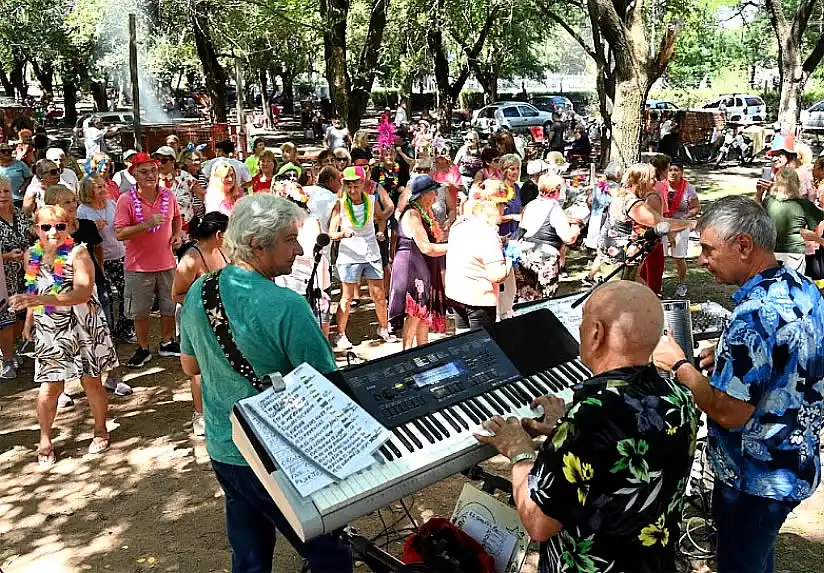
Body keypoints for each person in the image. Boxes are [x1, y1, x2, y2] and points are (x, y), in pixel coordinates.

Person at [179, 195, 353, 573]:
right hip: (278, 457)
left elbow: (189, 365)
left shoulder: (198, 292)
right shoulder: (287, 305)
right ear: (258, 243)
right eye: (291, 239)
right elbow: (327, 387)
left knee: (250, 557)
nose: (300, 249)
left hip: (225, 447)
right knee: (330, 556)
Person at [652, 195, 824, 573]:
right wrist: (730, 355)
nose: (701, 259)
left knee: (741, 563)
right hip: (794, 461)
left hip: (757, 478)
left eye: (709, 249)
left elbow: (730, 413)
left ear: (743, 246)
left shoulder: (754, 316)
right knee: (757, 557)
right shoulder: (801, 285)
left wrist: (680, 365)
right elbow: (787, 356)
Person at [477, 281, 698, 573]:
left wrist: (519, 452)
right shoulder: (679, 397)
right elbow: (620, 459)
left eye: (582, 321)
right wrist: (561, 430)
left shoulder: (590, 417)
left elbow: (538, 522)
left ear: (596, 333)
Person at [16, 205, 119, 466]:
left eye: (60, 226)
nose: (53, 232)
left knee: (91, 381)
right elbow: (33, 288)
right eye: (46, 227)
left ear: (69, 226)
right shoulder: (32, 254)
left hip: (83, 324)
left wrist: (39, 298)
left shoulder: (79, 253)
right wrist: (29, 320)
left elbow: (82, 293)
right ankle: (45, 439)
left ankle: (100, 430)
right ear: (35, 229)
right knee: (50, 387)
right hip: (50, 327)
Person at [48, 184, 131, 397]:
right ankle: (62, 388)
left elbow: (98, 250)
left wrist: (98, 274)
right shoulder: (50, 232)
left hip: (95, 286)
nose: (72, 205)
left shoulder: (86, 225)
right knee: (65, 337)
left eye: (73, 200)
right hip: (64, 292)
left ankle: (113, 377)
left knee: (104, 329)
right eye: (66, 202)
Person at [114, 152, 182, 368]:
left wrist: (177, 234)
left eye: (153, 170)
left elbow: (178, 217)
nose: (151, 175)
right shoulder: (125, 200)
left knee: (169, 305)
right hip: (138, 266)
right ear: (134, 175)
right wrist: (146, 224)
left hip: (167, 263)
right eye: (144, 172)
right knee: (140, 311)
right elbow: (120, 233)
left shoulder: (168, 196)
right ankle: (143, 348)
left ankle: (167, 341)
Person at [172, 212, 229, 437]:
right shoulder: (190, 259)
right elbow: (176, 293)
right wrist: (205, 305)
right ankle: (200, 413)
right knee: (199, 369)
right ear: (219, 234)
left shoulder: (224, 250)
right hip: (197, 319)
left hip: (222, 318)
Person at [329, 166, 394, 349]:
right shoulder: (340, 204)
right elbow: (331, 232)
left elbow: (382, 218)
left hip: (371, 253)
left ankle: (383, 328)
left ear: (363, 184)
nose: (352, 190)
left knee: (379, 295)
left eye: (356, 185)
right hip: (349, 256)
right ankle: (341, 334)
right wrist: (342, 234)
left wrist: (381, 232)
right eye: (348, 186)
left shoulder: (372, 201)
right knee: (347, 297)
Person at [596, 163, 693, 283]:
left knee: (636, 284)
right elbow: (662, 223)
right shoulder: (633, 204)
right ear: (641, 180)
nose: (655, 182)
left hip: (618, 254)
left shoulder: (624, 194)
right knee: (621, 291)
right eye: (652, 178)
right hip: (620, 258)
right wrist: (691, 224)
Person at [388, 176, 448, 348]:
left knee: (423, 311)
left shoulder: (423, 212)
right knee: (415, 311)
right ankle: (406, 352)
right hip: (411, 266)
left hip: (420, 264)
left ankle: (423, 349)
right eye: (432, 191)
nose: (436, 195)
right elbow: (426, 247)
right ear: (422, 195)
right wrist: (456, 246)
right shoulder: (413, 214)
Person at [77, 173, 133, 343]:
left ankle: (124, 329)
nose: (103, 189)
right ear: (88, 190)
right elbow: (84, 238)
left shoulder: (112, 204)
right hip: (99, 259)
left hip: (120, 255)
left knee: (127, 294)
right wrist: (94, 227)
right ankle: (106, 333)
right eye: (98, 186)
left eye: (104, 185)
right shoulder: (83, 211)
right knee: (105, 297)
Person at [272, 181, 333, 335]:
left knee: (320, 324)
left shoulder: (312, 222)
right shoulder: (277, 227)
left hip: (313, 282)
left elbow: (317, 254)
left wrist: (321, 288)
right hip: (290, 284)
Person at [445, 195, 510, 331]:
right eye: (502, 207)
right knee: (482, 345)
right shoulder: (486, 233)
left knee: (461, 342)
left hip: (456, 293)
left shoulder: (458, 225)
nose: (503, 212)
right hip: (479, 298)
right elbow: (497, 275)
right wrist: (509, 260)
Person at [515, 174, 583, 301]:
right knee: (545, 298)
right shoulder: (554, 208)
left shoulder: (531, 204)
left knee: (525, 295)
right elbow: (569, 238)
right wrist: (576, 226)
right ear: (557, 191)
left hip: (523, 253)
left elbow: (523, 226)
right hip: (544, 258)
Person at [755, 167, 823, 275]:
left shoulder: (768, 201)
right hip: (794, 253)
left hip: (770, 252)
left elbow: (756, 216)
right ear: (797, 184)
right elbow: (820, 217)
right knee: (793, 286)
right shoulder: (803, 204)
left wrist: (759, 194)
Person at [0, 175, 29, 379]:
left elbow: (30, 237)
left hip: (24, 274)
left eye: (6, 191)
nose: (3, 196)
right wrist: (7, 256)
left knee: (21, 313)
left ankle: (16, 348)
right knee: (5, 318)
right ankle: (7, 359)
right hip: (2, 278)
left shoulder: (19, 214)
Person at [664, 159, 700, 297]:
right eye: (670, 170)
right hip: (663, 224)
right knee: (660, 256)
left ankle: (681, 282)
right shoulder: (662, 186)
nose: (673, 173)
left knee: (678, 257)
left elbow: (696, 207)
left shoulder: (688, 188)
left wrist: (687, 216)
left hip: (680, 225)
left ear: (682, 172)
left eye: (676, 170)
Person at [155, 145, 204, 243]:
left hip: (186, 231)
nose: (159, 164)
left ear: (173, 161)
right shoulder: (152, 180)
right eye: (157, 160)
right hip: (161, 233)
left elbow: (203, 195)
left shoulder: (184, 177)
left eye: (164, 160)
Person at [638, 154, 671, 295]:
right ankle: (652, 295)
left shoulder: (651, 187)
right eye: (668, 169)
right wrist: (671, 232)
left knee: (646, 265)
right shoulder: (658, 187)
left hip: (644, 231)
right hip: (654, 232)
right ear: (662, 169)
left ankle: (643, 292)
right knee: (655, 266)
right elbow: (663, 212)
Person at [757, 134, 814, 201]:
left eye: (779, 155)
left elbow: (798, 202)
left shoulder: (800, 174)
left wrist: (773, 190)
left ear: (790, 156)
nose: (774, 159)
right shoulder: (776, 172)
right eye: (773, 155)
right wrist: (759, 193)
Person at [584, 162, 621, 252]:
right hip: (605, 214)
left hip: (596, 212)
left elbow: (590, 200)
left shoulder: (600, 185)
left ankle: (592, 244)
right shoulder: (614, 187)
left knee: (594, 227)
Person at [0, 141, 32, 207]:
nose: (7, 153)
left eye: (9, 151)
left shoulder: (20, 164)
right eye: (3, 151)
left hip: (17, 199)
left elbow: (29, 177)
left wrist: (23, 187)